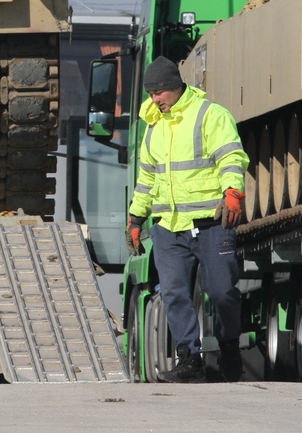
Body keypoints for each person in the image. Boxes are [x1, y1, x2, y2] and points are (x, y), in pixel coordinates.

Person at [125, 56, 248, 383]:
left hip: (210, 224)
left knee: (222, 292)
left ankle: (229, 346)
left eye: (160, 92)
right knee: (174, 293)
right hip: (168, 228)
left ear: (176, 87)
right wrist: (136, 217)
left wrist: (233, 192)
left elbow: (231, 157)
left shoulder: (210, 115)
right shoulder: (154, 128)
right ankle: (188, 358)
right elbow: (146, 178)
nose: (155, 99)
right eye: (151, 94)